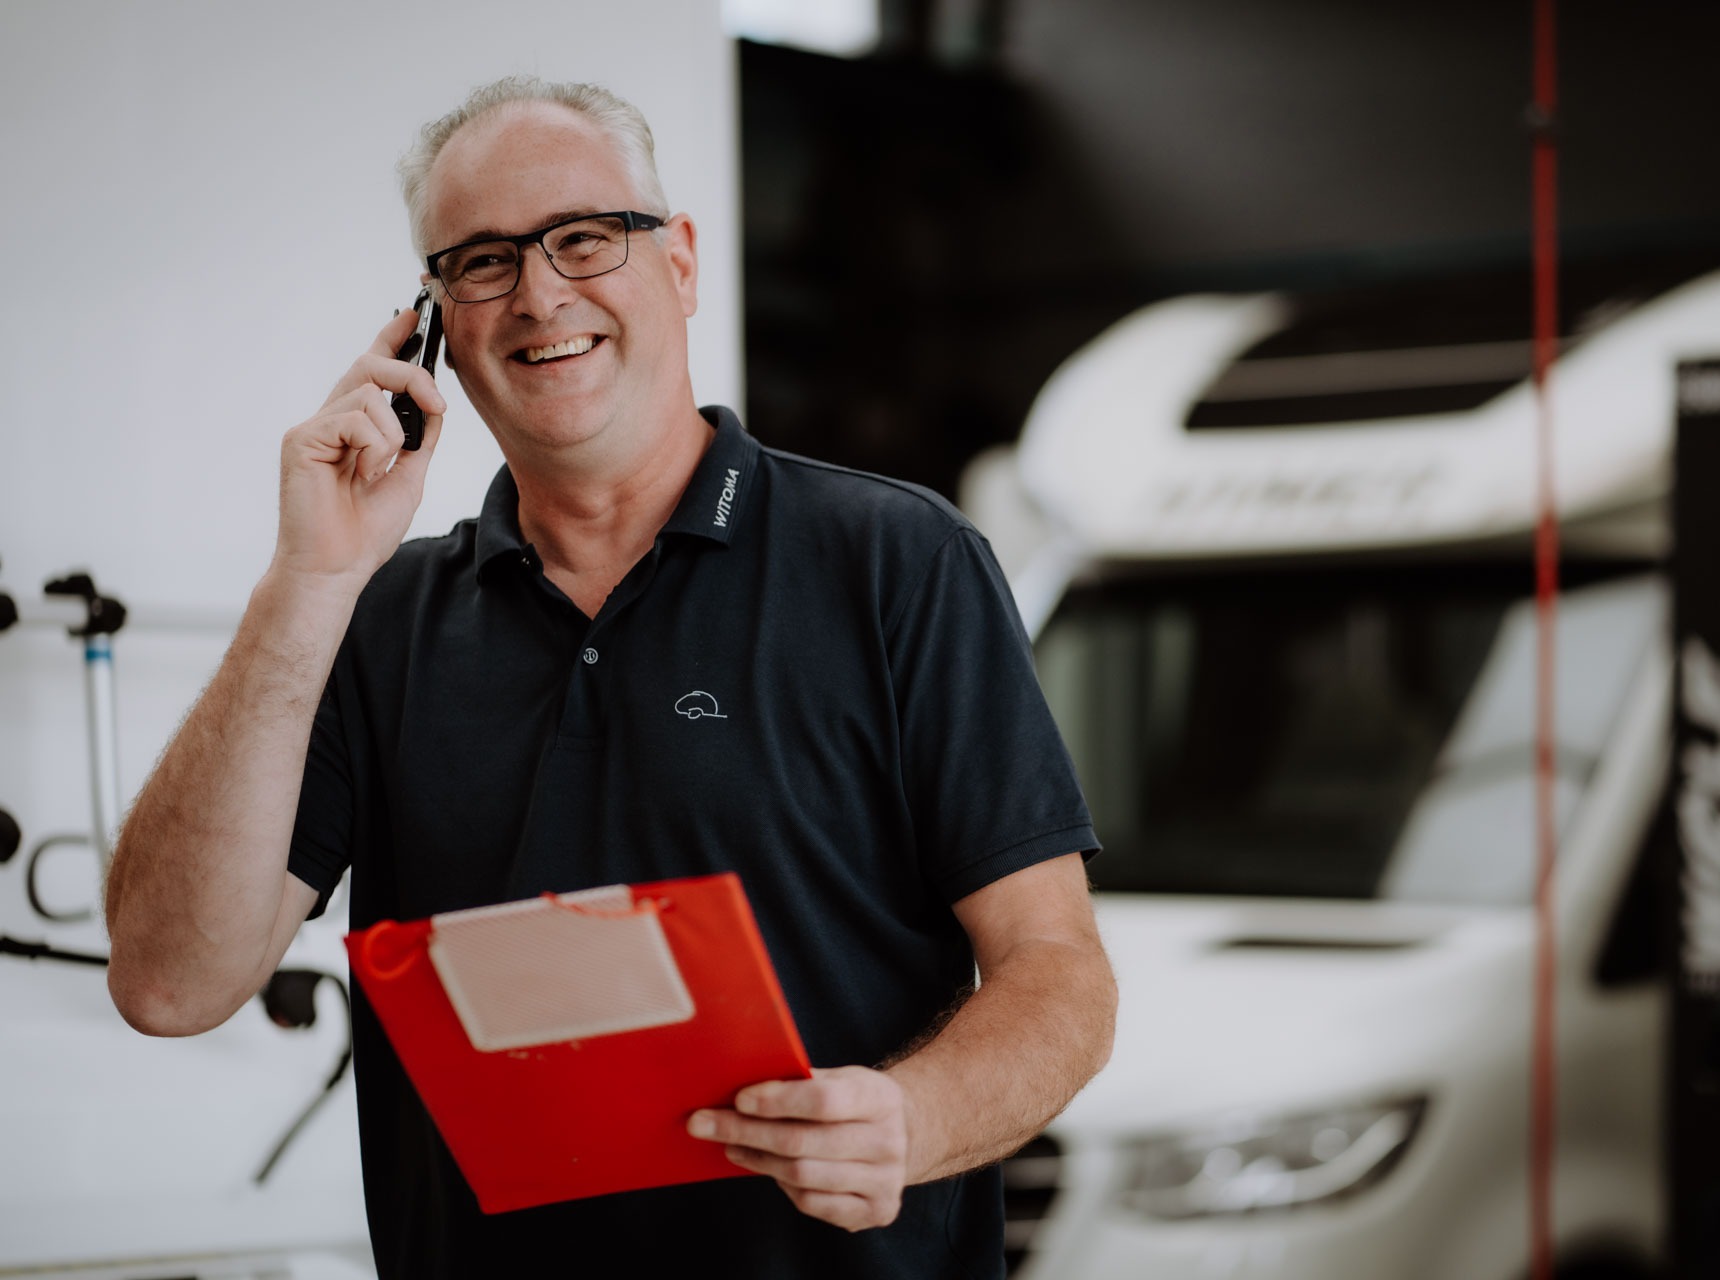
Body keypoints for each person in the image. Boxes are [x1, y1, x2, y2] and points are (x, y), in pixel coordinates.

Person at [103, 75, 1115, 1278]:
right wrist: (304, 581)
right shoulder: (373, 619)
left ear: (679, 262)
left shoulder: (899, 561)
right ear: (431, 325)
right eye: (483, 261)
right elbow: (168, 983)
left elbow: (1059, 970)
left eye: (583, 238)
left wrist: (918, 1118)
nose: (540, 296)